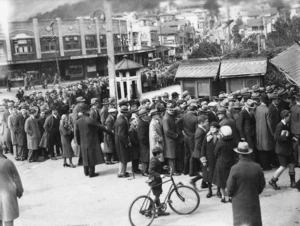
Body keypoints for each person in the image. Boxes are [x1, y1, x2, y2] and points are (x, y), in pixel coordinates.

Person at [227, 142, 266, 226]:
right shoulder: (257, 167)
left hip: (238, 201)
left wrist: (230, 195)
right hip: (253, 199)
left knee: (240, 222)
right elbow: (262, 184)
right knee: (254, 221)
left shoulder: (234, 168)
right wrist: (255, 192)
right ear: (248, 153)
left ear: (238, 154)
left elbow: (230, 187)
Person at [75, 104, 112, 178]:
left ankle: (86, 172)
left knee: (85, 157)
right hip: (91, 141)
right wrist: (110, 132)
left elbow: (77, 133)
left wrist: (79, 142)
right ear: (87, 112)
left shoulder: (78, 121)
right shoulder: (90, 120)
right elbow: (101, 127)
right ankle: (91, 173)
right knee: (91, 157)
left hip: (83, 142)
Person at [269, 110, 298, 190]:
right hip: (282, 150)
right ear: (285, 117)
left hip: (288, 149)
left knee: (292, 164)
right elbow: (276, 137)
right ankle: (273, 180)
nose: (290, 118)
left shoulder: (286, 124)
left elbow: (288, 133)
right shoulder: (280, 125)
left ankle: (293, 182)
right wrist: (286, 137)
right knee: (282, 167)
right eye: (289, 116)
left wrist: (292, 137)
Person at [0, 144, 24, 226]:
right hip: (8, 195)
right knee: (8, 219)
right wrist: (20, 190)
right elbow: (16, 178)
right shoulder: (8, 162)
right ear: (2, 151)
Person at [213, 125, 236, 203]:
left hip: (221, 163)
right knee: (230, 180)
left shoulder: (220, 142)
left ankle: (223, 196)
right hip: (231, 163)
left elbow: (215, 153)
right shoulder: (233, 141)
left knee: (221, 181)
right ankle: (230, 197)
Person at [148, 146, 170, 217]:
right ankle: (148, 211)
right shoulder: (154, 160)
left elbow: (157, 167)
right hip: (154, 181)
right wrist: (159, 175)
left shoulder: (155, 159)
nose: (161, 155)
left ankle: (159, 210)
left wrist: (163, 167)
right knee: (156, 196)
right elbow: (151, 170)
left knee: (157, 195)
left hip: (156, 181)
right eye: (160, 153)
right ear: (157, 154)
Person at [200, 122, 221, 198]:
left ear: (217, 129)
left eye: (214, 128)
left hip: (218, 158)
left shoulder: (220, 136)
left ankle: (218, 191)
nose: (212, 129)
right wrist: (203, 158)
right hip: (209, 159)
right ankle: (210, 191)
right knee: (209, 176)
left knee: (218, 175)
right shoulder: (207, 136)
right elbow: (203, 148)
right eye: (211, 127)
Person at [190, 115, 209, 191]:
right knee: (205, 170)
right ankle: (193, 181)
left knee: (204, 170)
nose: (208, 123)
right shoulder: (200, 132)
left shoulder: (201, 129)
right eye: (206, 121)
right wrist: (203, 155)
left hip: (199, 153)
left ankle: (203, 183)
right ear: (201, 122)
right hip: (199, 154)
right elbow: (198, 146)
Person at [114, 105, 132, 178]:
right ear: (125, 113)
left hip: (117, 140)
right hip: (122, 141)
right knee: (124, 157)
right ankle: (123, 173)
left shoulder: (118, 119)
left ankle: (121, 171)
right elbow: (122, 134)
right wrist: (127, 142)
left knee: (121, 157)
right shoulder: (123, 121)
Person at [137, 109, 150, 176]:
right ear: (143, 116)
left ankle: (145, 171)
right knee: (145, 158)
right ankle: (144, 171)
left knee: (146, 157)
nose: (147, 116)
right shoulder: (142, 124)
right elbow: (142, 136)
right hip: (144, 144)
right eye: (146, 115)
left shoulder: (144, 122)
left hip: (144, 143)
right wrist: (147, 142)